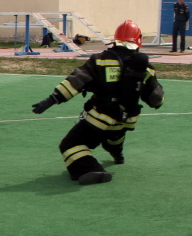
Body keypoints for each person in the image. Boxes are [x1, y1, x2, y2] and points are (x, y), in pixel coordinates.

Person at [31, 20, 164, 185]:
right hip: (127, 120)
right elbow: (156, 99)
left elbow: (77, 81)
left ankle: (91, 169)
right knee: (114, 135)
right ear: (138, 40)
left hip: (100, 118)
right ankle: (117, 152)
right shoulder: (146, 68)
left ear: (116, 39)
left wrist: (52, 99)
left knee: (70, 144)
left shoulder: (101, 61)